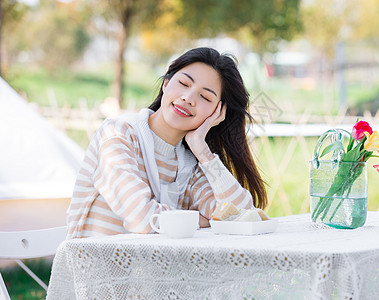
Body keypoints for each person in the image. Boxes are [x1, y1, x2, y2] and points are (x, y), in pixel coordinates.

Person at [66, 47, 268, 238]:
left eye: (205, 97)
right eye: (184, 84)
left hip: (153, 271)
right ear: (166, 83)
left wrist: (203, 152)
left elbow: (241, 217)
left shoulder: (190, 165)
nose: (188, 98)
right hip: (96, 271)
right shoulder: (119, 134)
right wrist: (202, 220)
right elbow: (143, 218)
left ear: (218, 113)